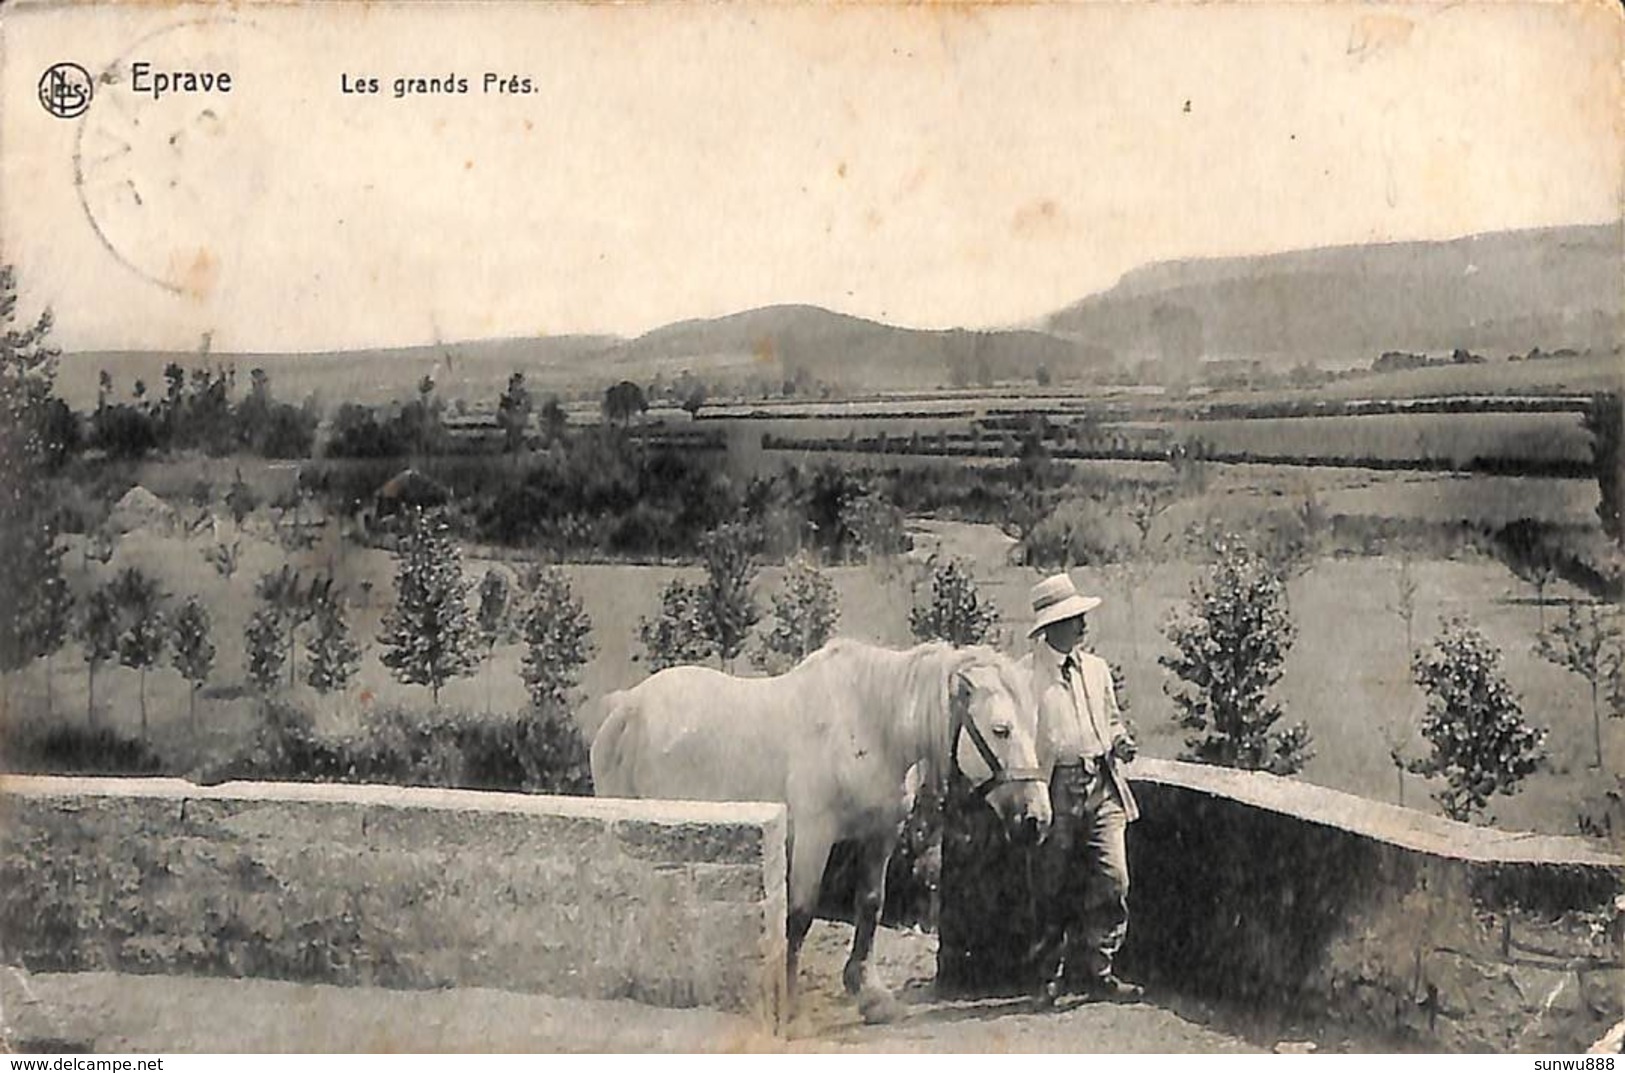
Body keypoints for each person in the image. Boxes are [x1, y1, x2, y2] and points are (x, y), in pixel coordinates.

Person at [1021, 572, 1143, 1006]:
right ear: (1051, 627)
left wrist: (1120, 740)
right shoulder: (1026, 679)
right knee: (1050, 885)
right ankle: (1047, 977)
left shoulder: (1096, 669)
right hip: (1055, 787)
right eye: (1073, 618)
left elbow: (1110, 721)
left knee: (1114, 877)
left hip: (1102, 783)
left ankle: (1097, 969)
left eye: (1081, 616)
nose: (1082, 625)